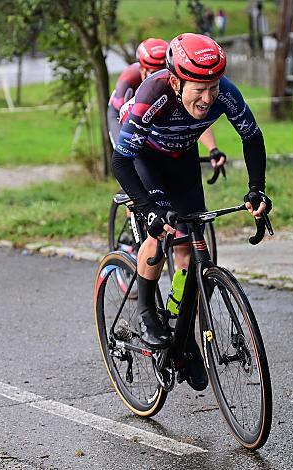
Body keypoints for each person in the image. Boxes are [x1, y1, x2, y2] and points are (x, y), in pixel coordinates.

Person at [111, 33, 272, 391]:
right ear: (175, 80)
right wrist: (148, 208)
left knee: (195, 251)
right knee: (159, 233)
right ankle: (146, 312)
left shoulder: (225, 92)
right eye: (199, 88)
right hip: (145, 162)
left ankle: (183, 336)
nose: (208, 97)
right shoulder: (154, 95)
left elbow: (252, 137)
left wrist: (256, 189)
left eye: (213, 87)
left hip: (182, 162)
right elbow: (120, 160)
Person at [107, 38, 226, 184]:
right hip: (121, 115)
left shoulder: (174, 84)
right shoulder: (130, 79)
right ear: (142, 70)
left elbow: (194, 122)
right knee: (134, 165)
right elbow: (130, 126)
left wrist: (213, 149)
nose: (163, 77)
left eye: (166, 70)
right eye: (154, 72)